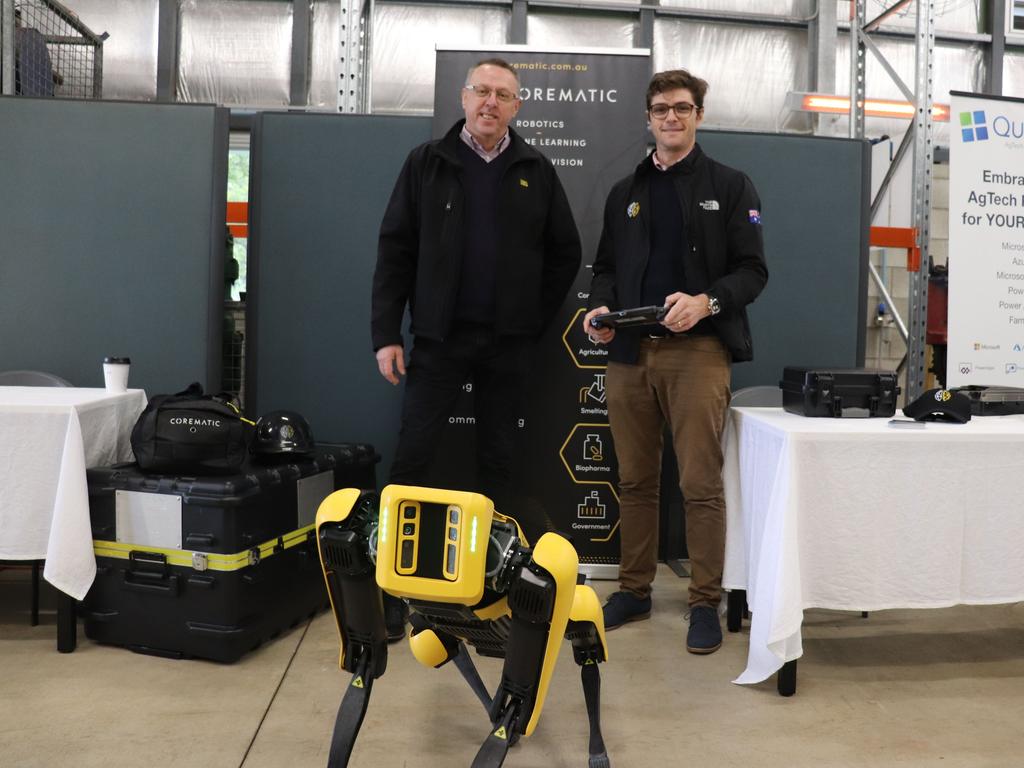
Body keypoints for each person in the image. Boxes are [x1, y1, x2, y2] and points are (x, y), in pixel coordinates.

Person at [372, 57, 582, 639]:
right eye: (482, 91)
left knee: (500, 465)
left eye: (503, 95)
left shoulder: (536, 169)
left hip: (508, 347)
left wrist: (530, 318)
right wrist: (387, 333)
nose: (491, 102)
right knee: (413, 459)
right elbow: (395, 252)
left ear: (518, 107)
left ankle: (500, 587)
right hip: (438, 342)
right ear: (464, 99)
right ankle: (393, 591)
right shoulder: (427, 163)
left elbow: (565, 252)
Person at [582, 69, 768, 655]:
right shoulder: (624, 193)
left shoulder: (732, 186)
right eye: (661, 108)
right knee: (635, 480)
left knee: (699, 484)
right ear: (648, 117)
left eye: (682, 109)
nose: (671, 118)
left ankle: (703, 603)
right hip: (630, 353)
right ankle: (634, 590)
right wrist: (601, 306)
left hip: (698, 353)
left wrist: (706, 302)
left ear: (699, 116)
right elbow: (605, 267)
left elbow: (753, 271)